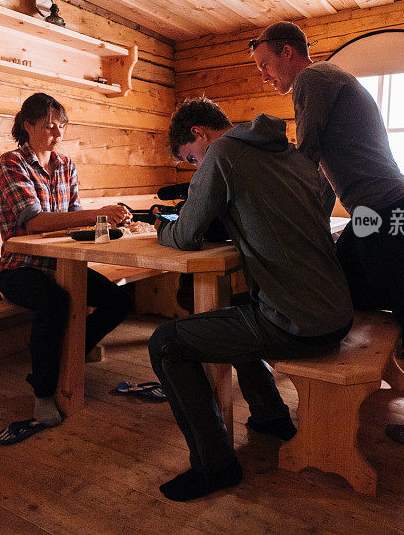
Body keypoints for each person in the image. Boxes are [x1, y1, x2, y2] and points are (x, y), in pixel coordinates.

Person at [249, 21, 404, 450]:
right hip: (382, 205)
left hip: (379, 208)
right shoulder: (330, 80)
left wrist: (275, 209)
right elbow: (325, 175)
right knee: (339, 281)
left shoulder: (313, 78)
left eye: (266, 64)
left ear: (289, 52)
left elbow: (306, 156)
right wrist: (311, 222)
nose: (264, 75)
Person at [148, 98, 353, 502]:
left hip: (299, 323)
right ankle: (271, 416)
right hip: (336, 312)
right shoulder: (286, 153)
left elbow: (186, 233)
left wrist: (160, 227)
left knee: (166, 343)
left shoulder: (223, 153)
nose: (196, 168)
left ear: (199, 134)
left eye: (192, 160)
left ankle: (215, 465)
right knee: (232, 317)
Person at [0, 92, 133, 445]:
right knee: (55, 302)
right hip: (19, 268)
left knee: (121, 300)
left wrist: (111, 224)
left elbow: (73, 219)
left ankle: (67, 358)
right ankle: (43, 391)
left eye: (62, 127)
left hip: (61, 264)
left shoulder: (65, 165)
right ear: (28, 126)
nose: (57, 133)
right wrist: (97, 213)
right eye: (49, 126)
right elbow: (34, 222)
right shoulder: (12, 163)